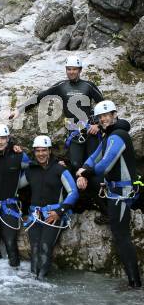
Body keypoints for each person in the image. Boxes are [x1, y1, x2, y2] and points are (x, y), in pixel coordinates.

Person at [11, 55, 105, 220]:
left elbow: (103, 104)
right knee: (76, 165)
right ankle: (76, 203)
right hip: (75, 135)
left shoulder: (88, 86)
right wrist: (19, 109)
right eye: (69, 69)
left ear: (80, 70)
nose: (71, 72)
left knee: (94, 167)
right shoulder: (62, 86)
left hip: (90, 132)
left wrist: (98, 124)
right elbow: (41, 96)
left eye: (74, 69)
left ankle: (102, 204)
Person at [76, 100, 141, 288]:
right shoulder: (108, 137)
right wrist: (84, 169)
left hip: (122, 194)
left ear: (114, 115)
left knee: (121, 236)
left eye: (107, 115)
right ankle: (133, 282)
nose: (104, 119)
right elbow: (94, 157)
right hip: (114, 192)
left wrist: (85, 173)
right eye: (101, 117)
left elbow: (105, 164)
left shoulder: (118, 136)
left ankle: (134, 283)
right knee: (119, 234)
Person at [19, 135, 78, 280]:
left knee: (45, 247)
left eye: (44, 150)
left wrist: (59, 211)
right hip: (35, 215)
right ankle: (34, 282)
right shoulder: (31, 170)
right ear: (34, 151)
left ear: (50, 151)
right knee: (34, 249)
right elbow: (15, 186)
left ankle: (42, 281)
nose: (41, 154)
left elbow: (74, 192)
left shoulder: (59, 169)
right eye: (38, 151)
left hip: (54, 214)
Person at [0, 124, 30, 267]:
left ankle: (14, 277)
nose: (0, 141)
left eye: (3, 138)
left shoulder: (19, 156)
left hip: (10, 205)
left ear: (8, 138)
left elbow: (37, 168)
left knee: (10, 244)